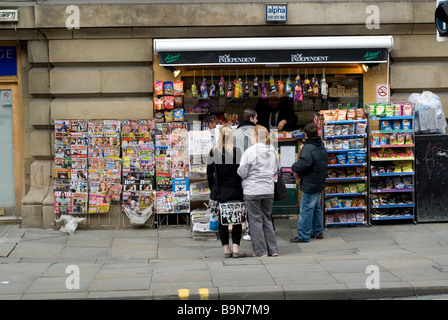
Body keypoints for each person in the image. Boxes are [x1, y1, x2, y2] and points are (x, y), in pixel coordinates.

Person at [237, 125, 279, 257]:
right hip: (268, 189)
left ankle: (261, 251)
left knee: (255, 221)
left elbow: (242, 172)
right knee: (267, 218)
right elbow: (276, 169)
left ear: (255, 137)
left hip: (253, 190)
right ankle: (273, 249)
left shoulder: (250, 151)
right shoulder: (272, 150)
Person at [207, 125, 246, 258]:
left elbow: (209, 174)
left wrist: (213, 189)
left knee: (222, 221)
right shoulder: (237, 151)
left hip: (220, 192)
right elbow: (241, 172)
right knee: (236, 220)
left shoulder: (213, 152)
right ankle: (236, 249)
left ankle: (226, 250)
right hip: (235, 191)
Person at [290, 123, 328, 243]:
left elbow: (303, 165)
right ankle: (317, 231)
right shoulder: (320, 145)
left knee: (306, 209)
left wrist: (294, 166)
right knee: (316, 207)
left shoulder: (307, 148)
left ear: (305, 134)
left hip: (310, 182)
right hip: (319, 181)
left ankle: (303, 235)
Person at [233, 108, 258, 241]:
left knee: (245, 200)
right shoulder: (258, 132)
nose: (257, 120)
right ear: (251, 119)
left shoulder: (235, 133)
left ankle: (247, 228)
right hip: (257, 171)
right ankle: (253, 229)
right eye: (256, 118)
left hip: (240, 169)